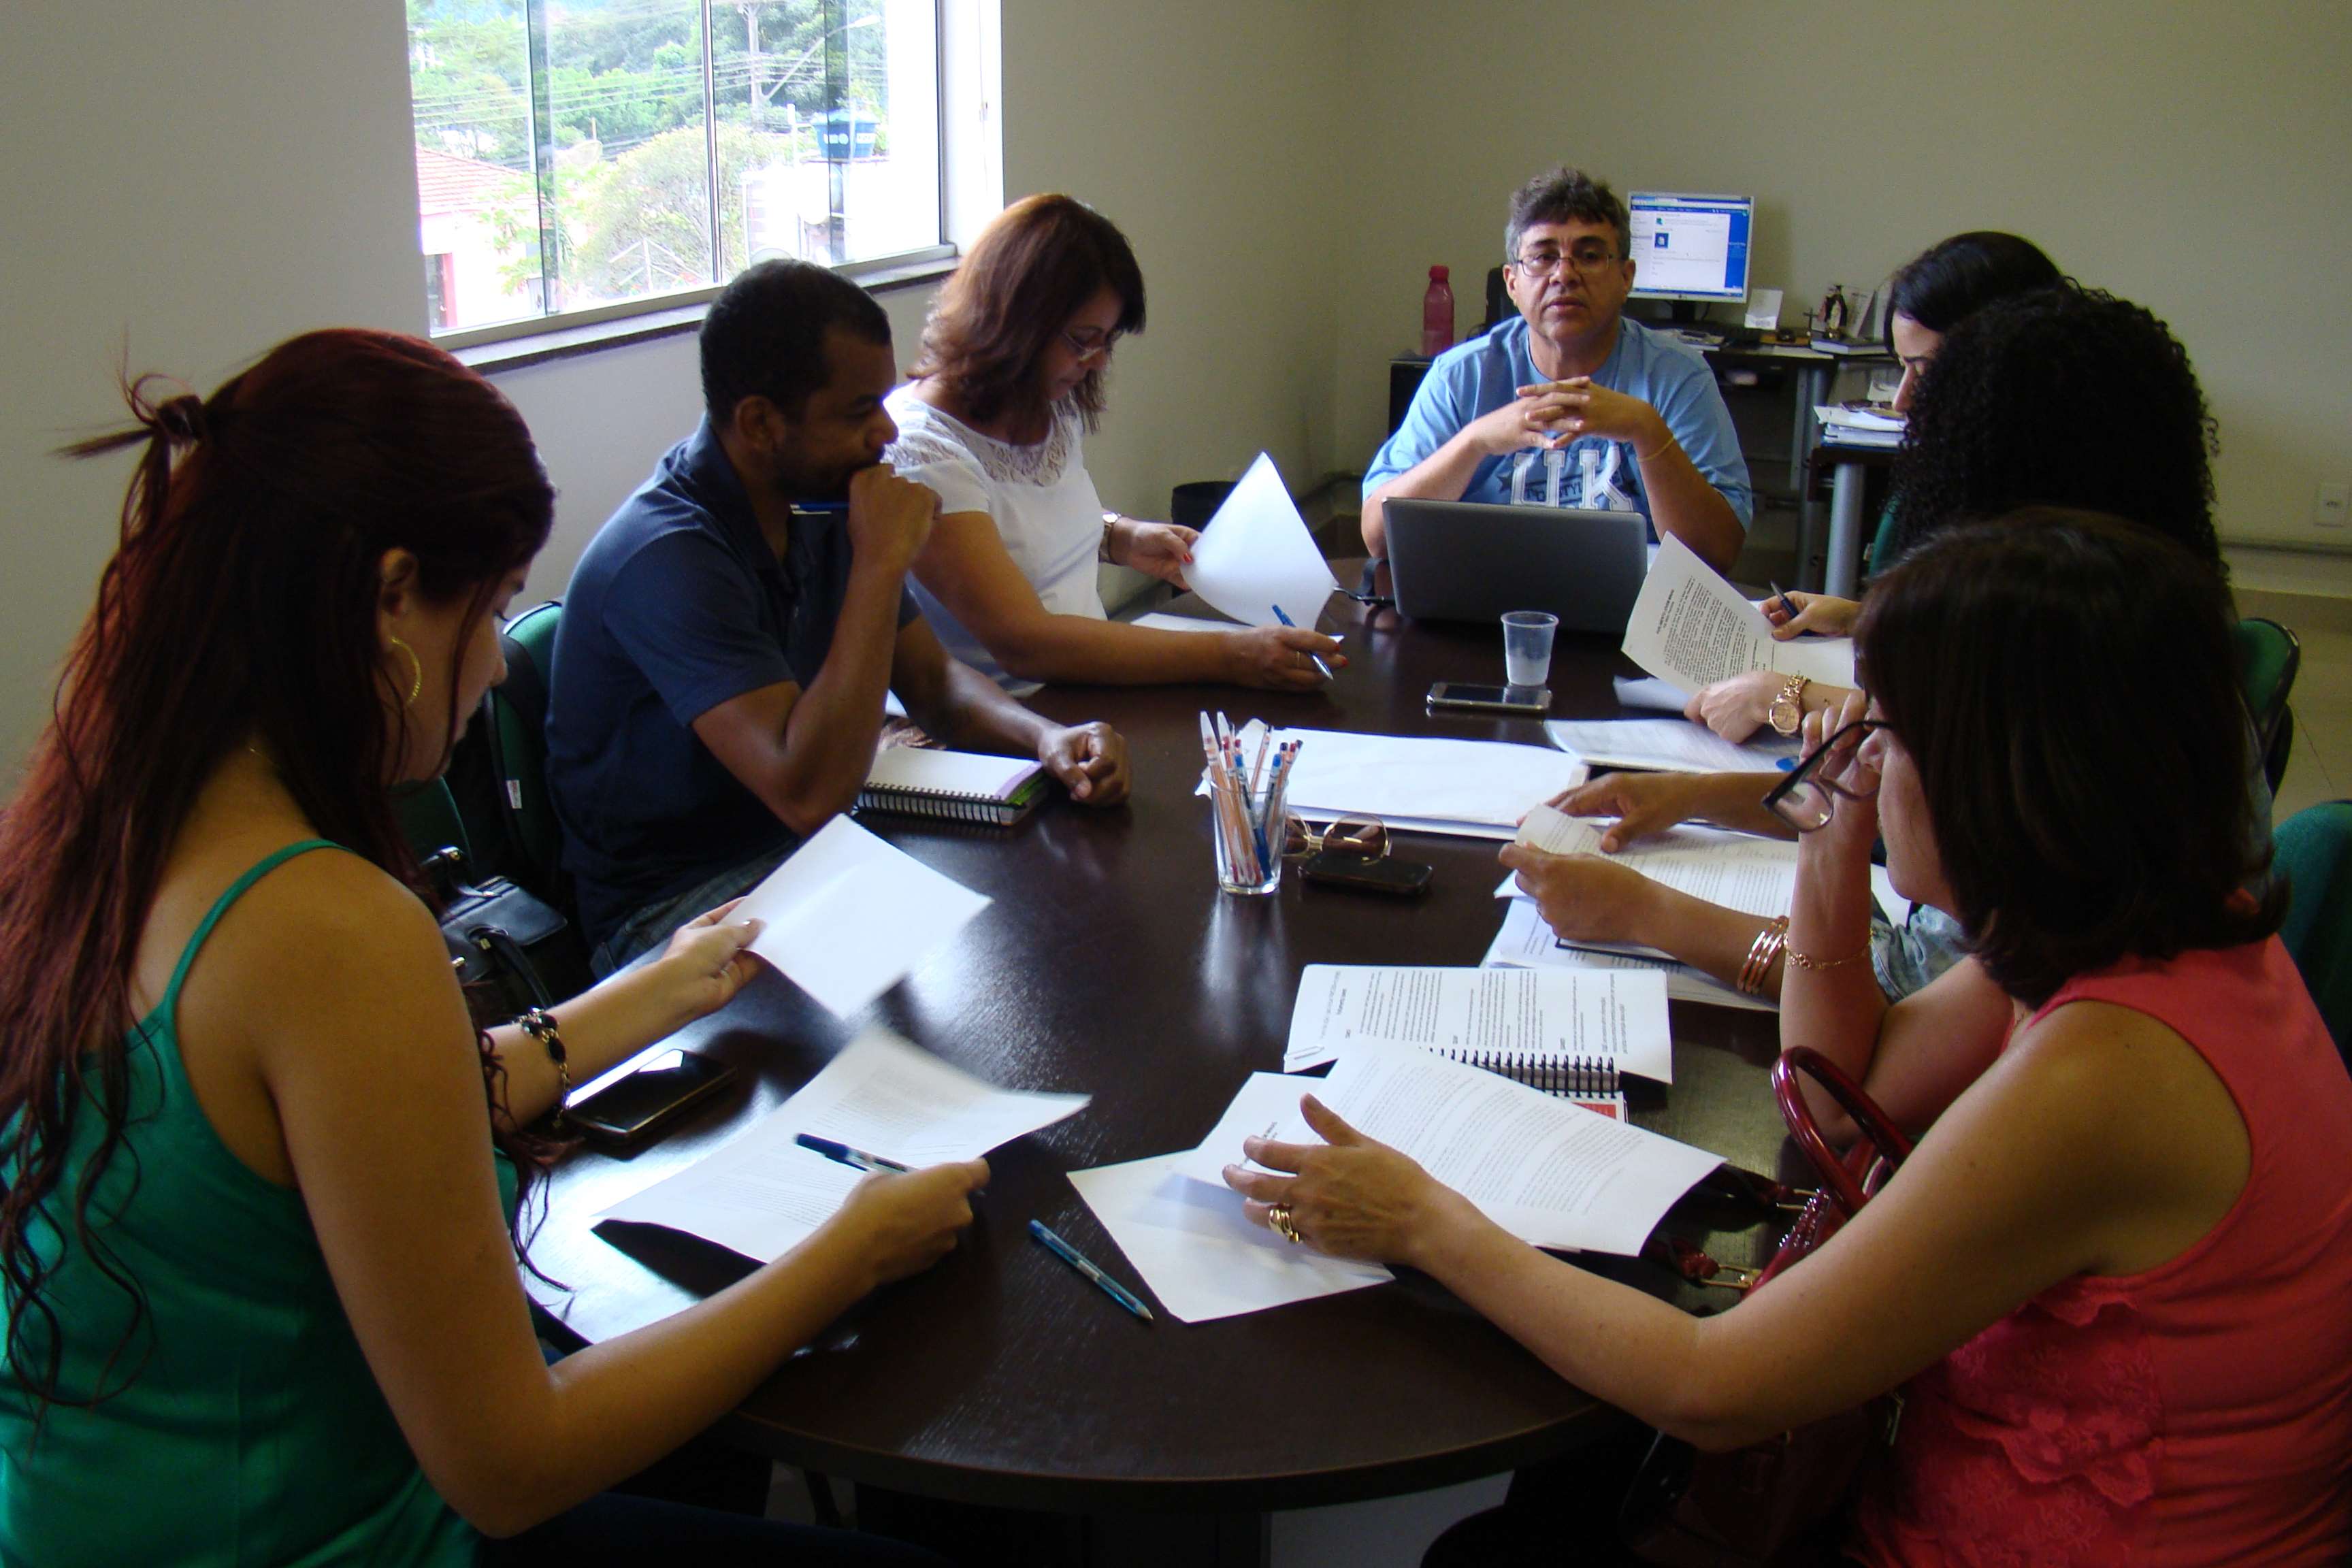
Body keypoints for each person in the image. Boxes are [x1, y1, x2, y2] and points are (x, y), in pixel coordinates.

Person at [0, 329, 976, 1564]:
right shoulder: (325, 923)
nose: (498, 662)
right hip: (334, 1536)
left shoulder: (101, 825)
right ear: (394, 592)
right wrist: (851, 1249)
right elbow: (511, 1463)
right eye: (500, 602)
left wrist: (653, 987)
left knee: (692, 1437)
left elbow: (353, 1125)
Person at [1229, 516, 2352, 1568]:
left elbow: (1718, 1383)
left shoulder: (2107, 1072)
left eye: (1889, 730)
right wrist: (1831, 833)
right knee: (1561, 1505)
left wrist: (1425, 1217)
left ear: (2002, 781)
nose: (1858, 747)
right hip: (1951, 1482)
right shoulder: (2145, 938)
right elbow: (1834, 1104)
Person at [1522, 282, 2227, 1004]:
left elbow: (1892, 997)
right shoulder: (2152, 626)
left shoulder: (2052, 669)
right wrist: (1693, 796)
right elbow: (1879, 793)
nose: (1900, 406)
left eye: (1931, 377)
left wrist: (1642, 911)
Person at [545, 259, 1133, 973]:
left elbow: (937, 687)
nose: (887, 432)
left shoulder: (819, 500)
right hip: (674, 908)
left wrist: (1046, 738)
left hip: (812, 855)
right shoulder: (667, 559)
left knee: (1049, 916)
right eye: (859, 411)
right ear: (760, 423)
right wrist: (881, 563)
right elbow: (808, 794)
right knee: (976, 964)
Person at [883, 193, 1345, 694]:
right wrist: (1231, 654)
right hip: (997, 727)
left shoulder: (1044, 400)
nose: (1098, 362)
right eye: (1083, 340)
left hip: (1082, 694)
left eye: (1108, 341)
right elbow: (1022, 642)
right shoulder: (920, 449)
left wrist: (1119, 536)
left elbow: (1020, 520)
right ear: (1012, 321)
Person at [1685, 231, 2062, 739]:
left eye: (1925, 371)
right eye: (1902, 370)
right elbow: (1966, 639)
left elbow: (1974, 724)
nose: (1903, 401)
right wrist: (1863, 618)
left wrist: (1783, 695)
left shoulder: (2054, 534)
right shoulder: (1992, 477)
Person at [1360, 167, 1753, 572]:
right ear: (1512, 283)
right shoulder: (1461, 376)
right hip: (1487, 606)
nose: (1565, 275)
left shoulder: (1679, 377)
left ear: (1626, 277)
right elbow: (1377, 538)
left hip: (1631, 618)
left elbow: (1716, 555)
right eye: (1544, 257)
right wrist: (1474, 442)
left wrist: (1646, 430)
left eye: (1590, 256)